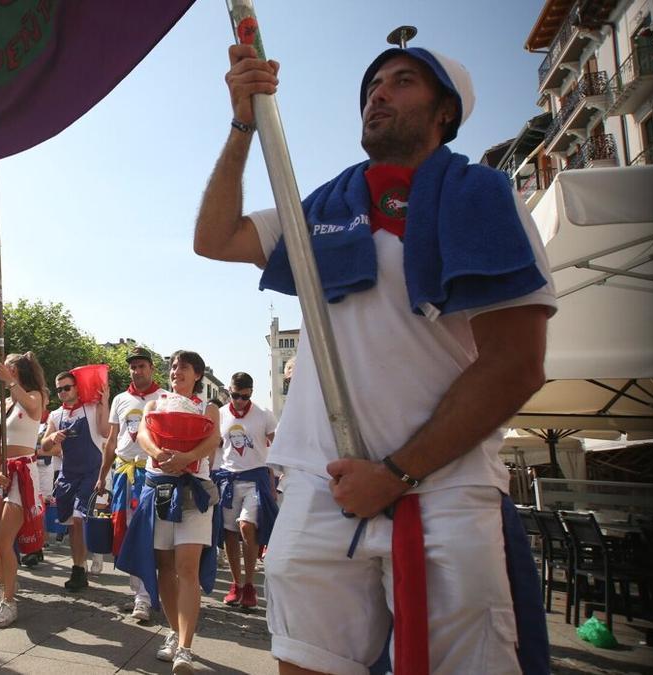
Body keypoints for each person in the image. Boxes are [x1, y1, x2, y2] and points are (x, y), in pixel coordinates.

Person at [194, 44, 555, 674]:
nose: (378, 94)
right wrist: (242, 124)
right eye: (372, 86)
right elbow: (214, 237)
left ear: (446, 111)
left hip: (441, 489)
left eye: (402, 82)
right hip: (317, 484)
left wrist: (398, 473)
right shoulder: (323, 207)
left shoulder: (486, 196)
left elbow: (516, 364)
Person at [118, 350, 220, 674]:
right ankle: (174, 633)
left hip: (194, 491)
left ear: (198, 375)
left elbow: (213, 439)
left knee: (186, 567)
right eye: (174, 366)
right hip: (161, 488)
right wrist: (161, 454)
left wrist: (187, 456)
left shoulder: (209, 408)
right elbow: (144, 435)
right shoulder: (155, 404)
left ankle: (186, 649)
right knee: (164, 565)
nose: (177, 371)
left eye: (184, 367)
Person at [94, 346, 167, 622]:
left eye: (142, 366)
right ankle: (141, 595)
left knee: (149, 535)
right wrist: (102, 475)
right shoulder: (120, 399)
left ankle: (146, 595)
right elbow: (112, 440)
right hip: (124, 473)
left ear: (151, 368)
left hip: (152, 476)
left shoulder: (164, 398)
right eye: (133, 367)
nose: (137, 371)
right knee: (126, 534)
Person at [0, 352, 48, 628]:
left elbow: (32, 409)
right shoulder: (0, 405)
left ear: (16, 370)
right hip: (3, 474)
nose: (1, 368)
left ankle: (8, 601)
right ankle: (6, 581)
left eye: (8, 366)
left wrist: (11, 384)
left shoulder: (35, 395)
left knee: (3, 542)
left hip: (23, 474)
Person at [211, 371, 277, 610]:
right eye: (234, 395)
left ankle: (250, 584)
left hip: (255, 478)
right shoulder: (219, 415)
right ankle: (236, 584)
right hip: (228, 479)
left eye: (243, 397)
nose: (238, 401)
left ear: (251, 393)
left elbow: (277, 443)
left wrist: (277, 473)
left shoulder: (263, 415)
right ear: (229, 391)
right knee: (228, 533)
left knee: (247, 526)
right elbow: (214, 445)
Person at [41, 370, 109, 592]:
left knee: (79, 519)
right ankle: (79, 566)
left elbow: (106, 431)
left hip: (91, 473)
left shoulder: (91, 408)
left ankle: (80, 569)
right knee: (71, 525)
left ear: (77, 387)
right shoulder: (55, 415)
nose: (62, 392)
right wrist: (52, 437)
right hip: (67, 475)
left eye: (66, 387)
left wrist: (105, 401)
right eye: (59, 389)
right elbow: (45, 446)